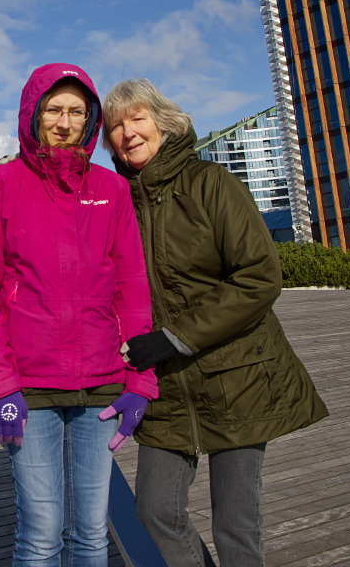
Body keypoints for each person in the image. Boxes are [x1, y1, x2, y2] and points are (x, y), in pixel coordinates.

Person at [101, 78, 329, 567]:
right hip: (164, 386)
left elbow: (260, 276)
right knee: (154, 512)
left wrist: (176, 337)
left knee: (235, 523)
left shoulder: (211, 183)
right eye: (115, 126)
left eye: (137, 118)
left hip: (237, 375)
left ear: (163, 123)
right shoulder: (115, 202)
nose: (128, 132)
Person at [0, 63, 159, 566]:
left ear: (90, 120)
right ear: (33, 114)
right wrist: (0, 385)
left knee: (91, 531)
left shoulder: (112, 189)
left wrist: (141, 380)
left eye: (76, 111)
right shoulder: (1, 184)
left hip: (102, 384)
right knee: (41, 531)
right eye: (53, 110)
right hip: (28, 386)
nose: (64, 123)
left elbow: (132, 290)